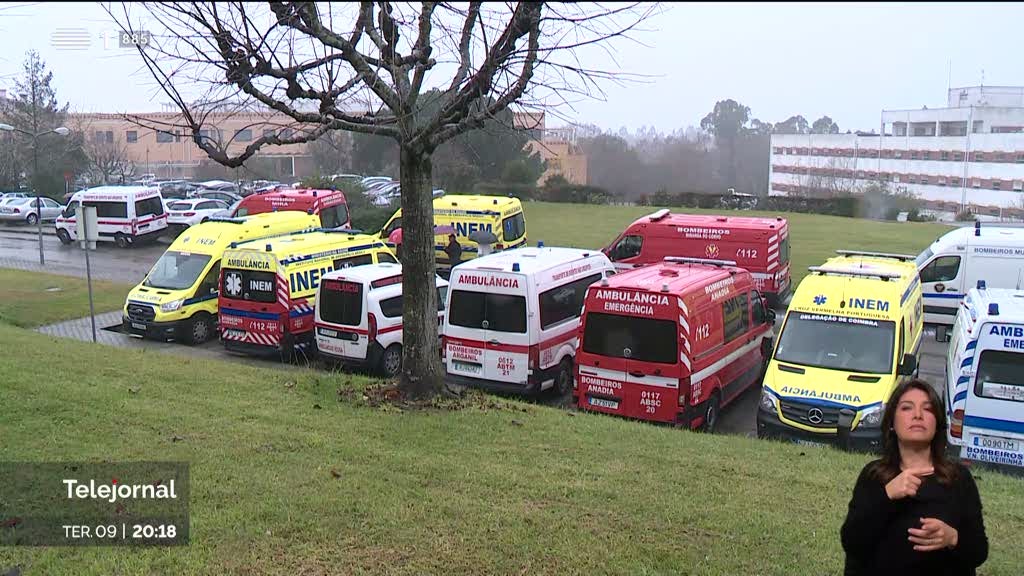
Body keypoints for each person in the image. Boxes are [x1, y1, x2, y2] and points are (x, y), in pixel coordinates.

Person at [840, 379, 988, 576]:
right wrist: (887, 496)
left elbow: (979, 552)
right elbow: (852, 543)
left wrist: (953, 538)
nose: (918, 415)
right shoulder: (874, 476)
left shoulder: (958, 479)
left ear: (937, 424)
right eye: (907, 408)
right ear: (891, 422)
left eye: (927, 409)